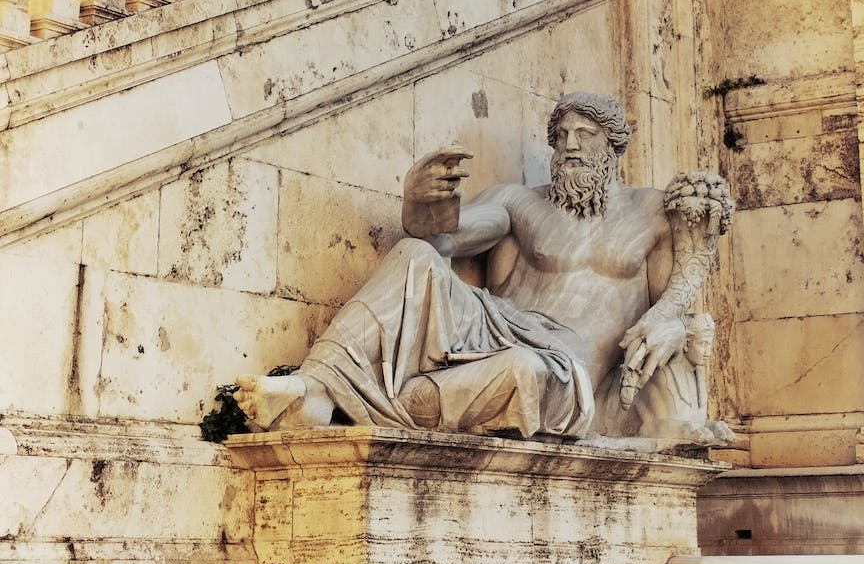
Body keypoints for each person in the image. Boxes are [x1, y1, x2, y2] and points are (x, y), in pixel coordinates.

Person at [236, 92, 734, 447]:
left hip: (566, 364)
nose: (571, 146)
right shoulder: (518, 202)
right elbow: (442, 239)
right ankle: (315, 388)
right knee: (416, 256)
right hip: (496, 327)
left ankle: (367, 401)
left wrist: (667, 320)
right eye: (560, 137)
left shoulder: (649, 212)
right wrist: (420, 202)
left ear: (613, 145)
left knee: (525, 372)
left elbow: (680, 289)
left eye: (585, 134)